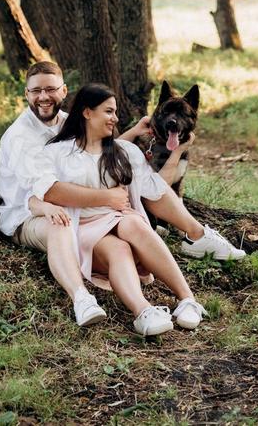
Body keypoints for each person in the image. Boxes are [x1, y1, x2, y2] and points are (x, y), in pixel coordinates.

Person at [0, 61, 244, 329]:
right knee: (105, 238)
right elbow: (49, 192)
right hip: (34, 212)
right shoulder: (24, 138)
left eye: (50, 89)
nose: (43, 97)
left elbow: (98, 154)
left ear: (64, 91)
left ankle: (192, 266)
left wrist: (138, 138)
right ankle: (114, 305)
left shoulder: (70, 123)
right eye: (36, 91)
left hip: (91, 208)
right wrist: (108, 198)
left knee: (136, 207)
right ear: (26, 93)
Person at [34, 83, 207, 335]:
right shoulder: (57, 152)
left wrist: (177, 151)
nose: (115, 118)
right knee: (118, 247)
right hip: (83, 225)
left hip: (119, 218)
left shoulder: (123, 150)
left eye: (114, 112)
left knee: (135, 222)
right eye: (108, 111)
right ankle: (143, 311)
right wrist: (106, 197)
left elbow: (156, 189)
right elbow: (50, 191)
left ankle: (188, 299)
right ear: (86, 112)